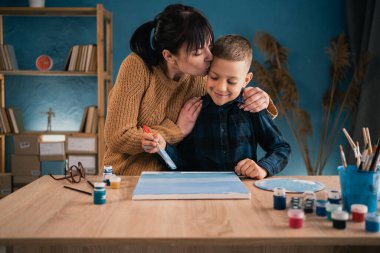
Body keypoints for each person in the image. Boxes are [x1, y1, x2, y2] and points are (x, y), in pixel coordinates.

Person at [104, 4, 277, 175]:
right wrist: (176, 131)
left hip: (173, 179)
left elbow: (229, 101)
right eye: (197, 52)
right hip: (126, 177)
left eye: (209, 44)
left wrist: (262, 99)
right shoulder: (137, 67)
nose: (210, 56)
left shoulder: (202, 75)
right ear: (169, 56)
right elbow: (118, 137)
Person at [142, 35, 291, 179]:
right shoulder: (194, 110)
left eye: (231, 81)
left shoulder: (252, 109)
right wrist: (164, 148)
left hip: (243, 192)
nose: (221, 87)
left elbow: (281, 148)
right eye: (214, 77)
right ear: (206, 73)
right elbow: (183, 164)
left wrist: (263, 168)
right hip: (201, 194)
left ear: (246, 80)